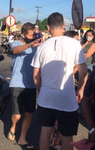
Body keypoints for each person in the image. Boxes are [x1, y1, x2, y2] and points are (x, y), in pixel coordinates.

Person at [31, 12, 88, 150]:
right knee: (67, 136)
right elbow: (83, 71)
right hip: (67, 99)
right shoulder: (74, 43)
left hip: (46, 98)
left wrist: (41, 91)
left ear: (48, 27)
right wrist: (80, 89)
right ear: (63, 26)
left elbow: (35, 76)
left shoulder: (41, 47)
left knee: (45, 131)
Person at [7, 22, 42, 150]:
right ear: (23, 34)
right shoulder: (16, 43)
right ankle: (13, 126)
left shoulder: (37, 46)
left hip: (31, 85)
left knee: (30, 113)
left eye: (34, 34)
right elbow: (15, 51)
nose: (33, 36)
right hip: (17, 83)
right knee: (17, 115)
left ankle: (22, 138)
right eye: (31, 34)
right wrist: (29, 45)